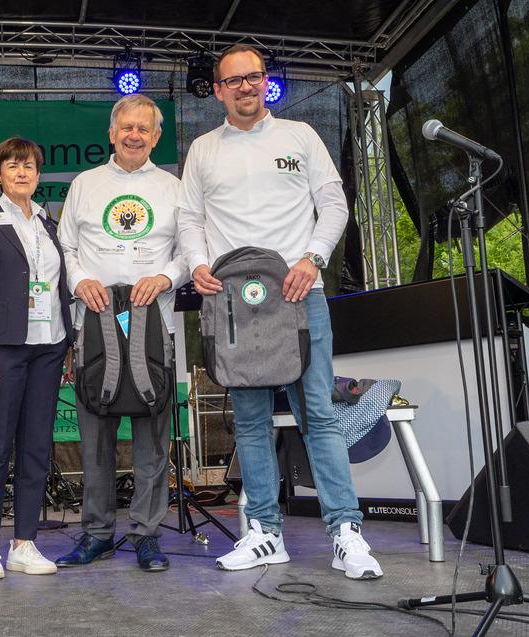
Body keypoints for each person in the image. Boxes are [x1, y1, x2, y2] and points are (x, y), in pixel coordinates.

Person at [177, 44, 383, 579]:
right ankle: (265, 532)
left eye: (255, 77)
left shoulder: (300, 136)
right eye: (235, 80)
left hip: (298, 294)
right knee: (249, 422)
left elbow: (334, 203)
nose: (247, 87)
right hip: (233, 305)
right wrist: (199, 266)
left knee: (318, 414)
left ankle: (346, 532)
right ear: (218, 90)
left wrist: (313, 260)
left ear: (265, 82)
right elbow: (189, 219)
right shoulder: (203, 149)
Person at [56, 94, 188, 572]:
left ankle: (147, 534)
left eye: (144, 129)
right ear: (111, 133)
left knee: (152, 439)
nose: (134, 135)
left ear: (155, 137)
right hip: (94, 326)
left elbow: (192, 249)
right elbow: (66, 245)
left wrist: (167, 277)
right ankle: (95, 533)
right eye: (126, 127)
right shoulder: (85, 184)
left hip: (154, 327)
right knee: (96, 439)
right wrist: (79, 280)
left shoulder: (174, 187)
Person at [0, 137, 73, 580]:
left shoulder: (48, 223)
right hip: (3, 348)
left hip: (50, 346)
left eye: (29, 165)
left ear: (38, 173)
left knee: (36, 448)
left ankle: (25, 542)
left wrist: (67, 345)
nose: (22, 172)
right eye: (12, 165)